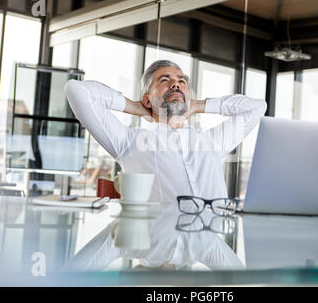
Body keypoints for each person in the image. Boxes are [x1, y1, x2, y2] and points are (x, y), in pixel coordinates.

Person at [65, 60, 266, 202]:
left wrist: (198, 105)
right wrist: (135, 107)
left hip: (211, 241)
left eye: (182, 81)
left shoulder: (212, 140)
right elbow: (77, 90)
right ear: (147, 99)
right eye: (164, 80)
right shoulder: (128, 141)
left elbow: (257, 107)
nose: (175, 83)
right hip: (160, 246)